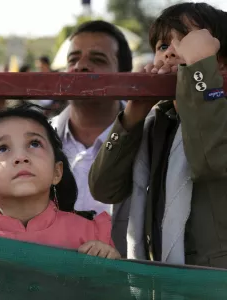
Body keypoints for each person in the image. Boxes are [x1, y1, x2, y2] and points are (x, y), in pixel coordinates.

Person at [0, 21, 132, 222]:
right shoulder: (38, 138)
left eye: (98, 59)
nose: (81, 66)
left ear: (125, 75)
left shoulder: (149, 135)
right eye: (73, 59)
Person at [89, 2, 227, 268]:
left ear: (222, 63)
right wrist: (133, 114)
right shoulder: (158, 121)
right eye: (163, 46)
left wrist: (199, 71)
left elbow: (210, 160)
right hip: (163, 280)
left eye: (188, 41)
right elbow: (104, 187)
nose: (170, 53)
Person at [0, 104, 120, 259]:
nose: (21, 157)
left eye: (34, 143)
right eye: (2, 148)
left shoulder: (93, 237)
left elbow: (115, 286)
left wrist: (110, 262)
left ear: (57, 172)